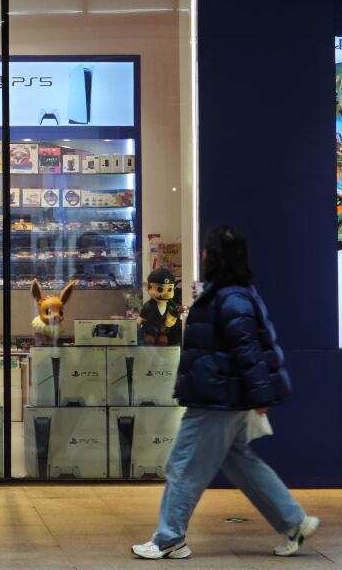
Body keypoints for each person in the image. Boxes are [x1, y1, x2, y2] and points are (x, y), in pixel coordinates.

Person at [131, 226, 319, 560]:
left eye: (207, 251)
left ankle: (169, 538)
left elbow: (247, 347)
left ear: (216, 257)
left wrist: (261, 396)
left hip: (215, 397)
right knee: (242, 464)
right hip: (223, 395)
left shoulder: (230, 297)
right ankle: (294, 522)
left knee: (183, 465)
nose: (203, 256)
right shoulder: (232, 293)